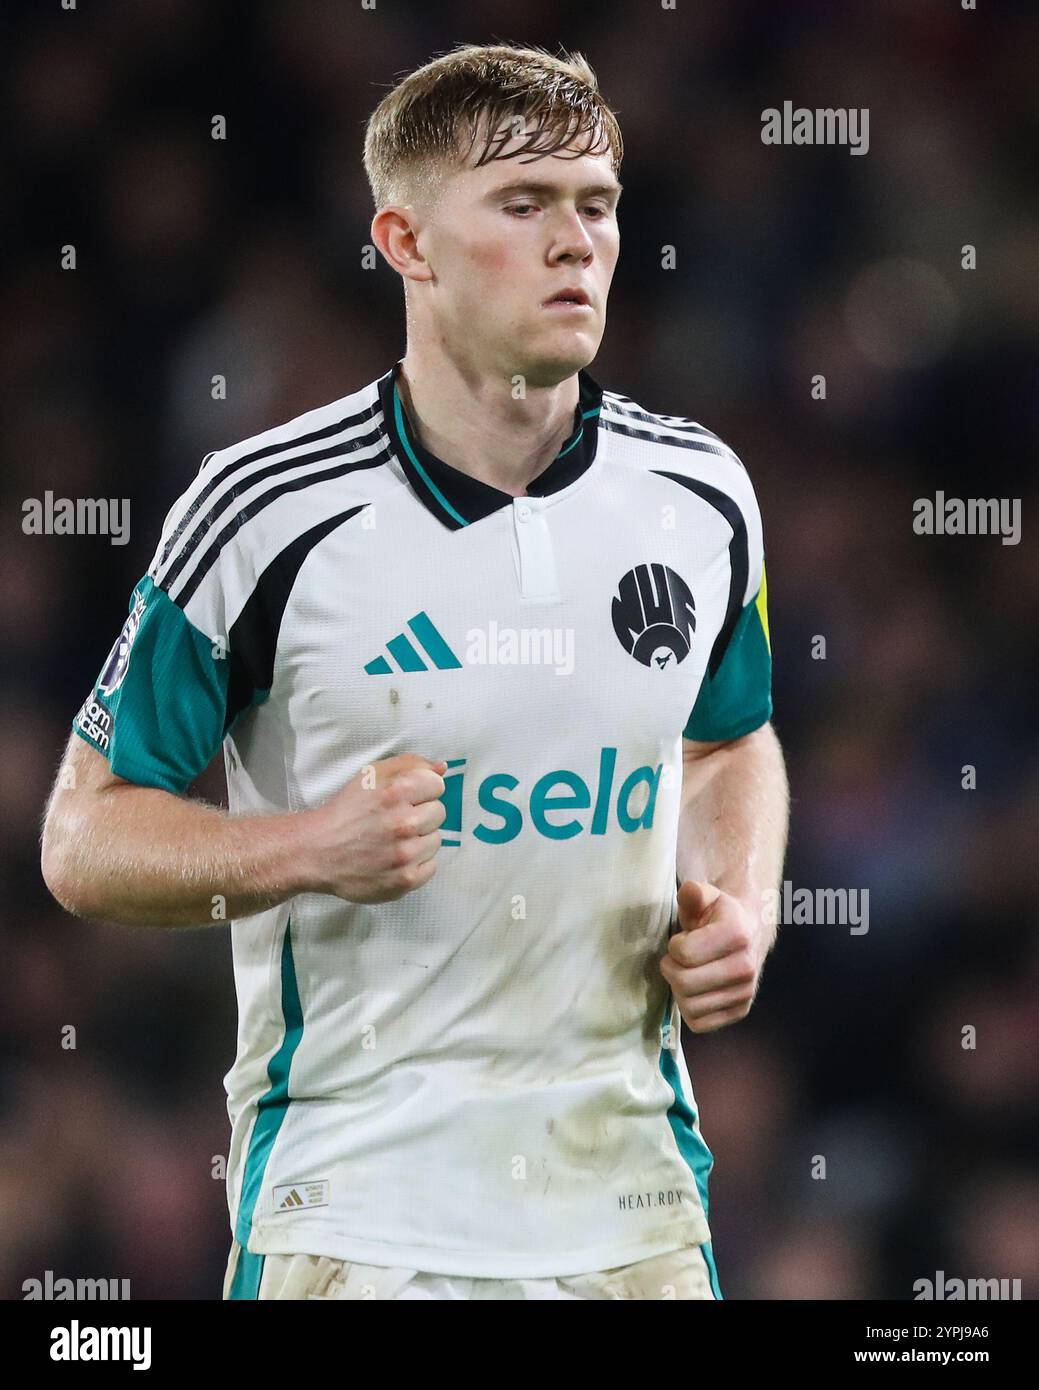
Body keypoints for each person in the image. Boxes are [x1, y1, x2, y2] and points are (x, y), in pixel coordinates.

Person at [41, 42, 789, 1301]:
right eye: (523, 204)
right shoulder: (260, 511)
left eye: (596, 205)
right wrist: (304, 848)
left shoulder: (700, 492)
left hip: (632, 1203)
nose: (576, 243)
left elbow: (729, 739)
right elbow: (82, 837)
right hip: (362, 1209)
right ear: (406, 241)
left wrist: (744, 902)